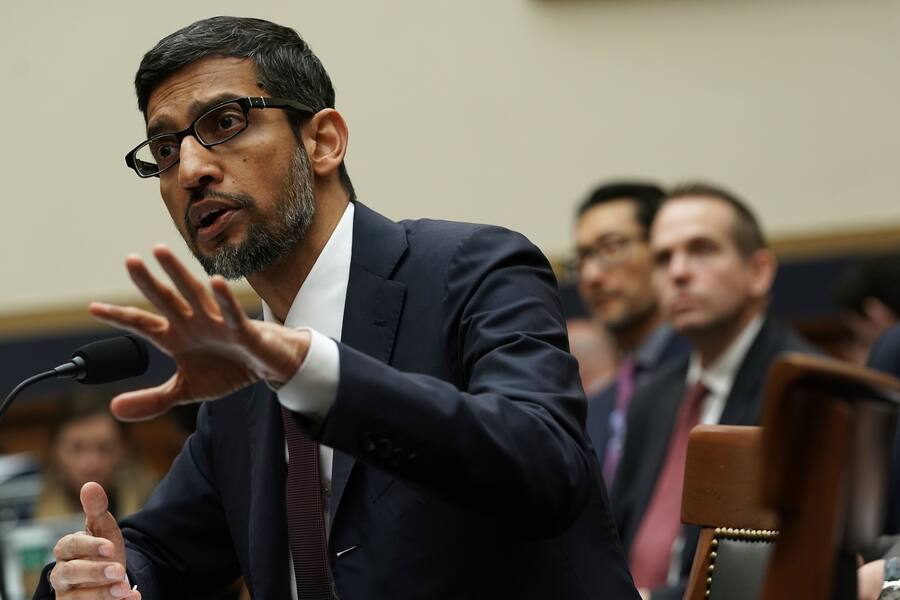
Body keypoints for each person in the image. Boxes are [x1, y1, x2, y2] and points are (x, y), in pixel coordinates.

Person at [34, 16, 639, 600]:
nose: (190, 170)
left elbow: (547, 470)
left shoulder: (475, 268)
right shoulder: (242, 377)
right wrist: (100, 575)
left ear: (322, 142)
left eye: (225, 122)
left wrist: (314, 373)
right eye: (166, 149)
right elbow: (158, 550)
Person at [610, 182, 818, 600]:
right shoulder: (653, 394)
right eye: (663, 258)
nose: (678, 272)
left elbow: (789, 565)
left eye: (701, 249)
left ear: (758, 271)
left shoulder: (804, 390)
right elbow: (614, 537)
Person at [573, 181, 689, 485]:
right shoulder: (598, 405)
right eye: (583, 258)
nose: (592, 275)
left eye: (612, 248)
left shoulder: (703, 376)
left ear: (664, 251)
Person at [34, 394, 157, 521]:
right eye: (77, 448)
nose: (90, 464)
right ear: (56, 450)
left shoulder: (154, 503)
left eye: (104, 448)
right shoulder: (28, 503)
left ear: (124, 449)